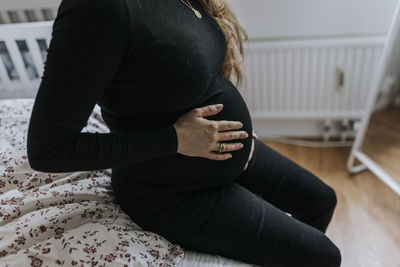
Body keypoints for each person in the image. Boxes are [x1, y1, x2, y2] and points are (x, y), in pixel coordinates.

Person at [26, 0, 342, 266]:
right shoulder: (97, 10)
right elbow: (48, 149)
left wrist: (238, 132)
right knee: (324, 256)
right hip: (168, 190)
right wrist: (177, 139)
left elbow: (186, 71)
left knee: (321, 200)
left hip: (223, 151)